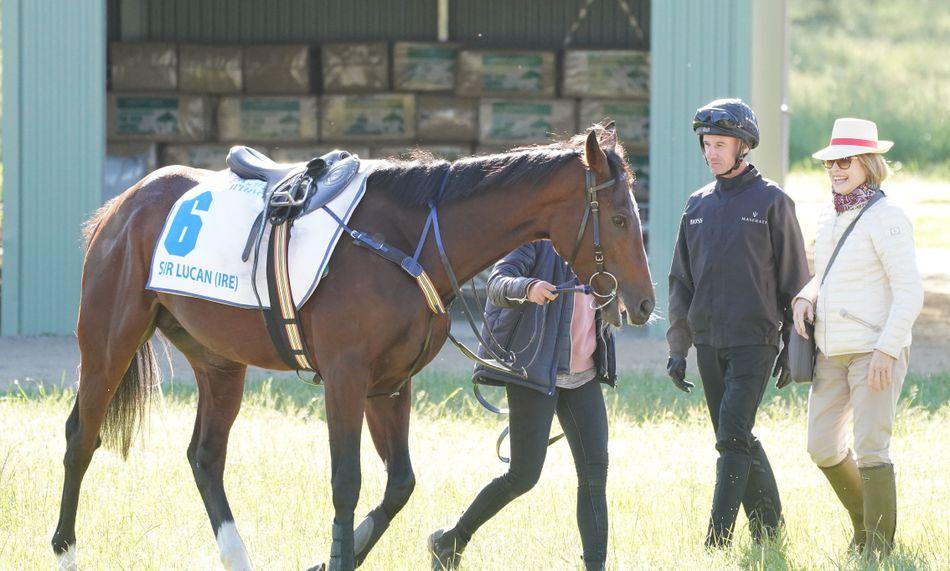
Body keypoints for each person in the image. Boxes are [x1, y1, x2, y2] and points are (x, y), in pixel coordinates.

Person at [666, 98, 810, 548]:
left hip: (756, 340)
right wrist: (677, 347)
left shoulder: (772, 202)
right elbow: (680, 282)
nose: (712, 152)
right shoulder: (696, 205)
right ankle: (770, 529)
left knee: (730, 437)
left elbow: (796, 280)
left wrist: (794, 346)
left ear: (743, 146)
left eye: (720, 144)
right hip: (709, 340)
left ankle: (717, 542)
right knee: (736, 433)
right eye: (707, 144)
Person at [427, 239, 617, 571]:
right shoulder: (538, 243)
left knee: (594, 474)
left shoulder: (599, 248)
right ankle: (451, 540)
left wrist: (620, 303)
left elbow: (615, 296)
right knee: (523, 476)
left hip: (583, 375)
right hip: (534, 371)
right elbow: (497, 283)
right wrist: (528, 287)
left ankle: (596, 566)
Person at [792, 118, 923, 558]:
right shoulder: (832, 213)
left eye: (845, 160)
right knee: (822, 447)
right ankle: (864, 525)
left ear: (868, 163)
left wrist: (887, 349)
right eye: (831, 161)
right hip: (831, 349)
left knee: (871, 448)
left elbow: (909, 292)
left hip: (874, 351)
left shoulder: (888, 218)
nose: (836, 168)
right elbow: (826, 277)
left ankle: (878, 550)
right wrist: (805, 296)